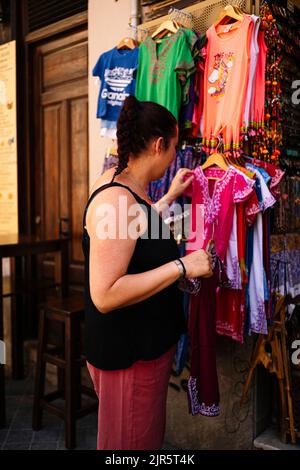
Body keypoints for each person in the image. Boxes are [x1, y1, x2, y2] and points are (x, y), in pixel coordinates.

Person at [82, 96, 213, 450]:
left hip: (141, 351)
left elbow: (130, 232)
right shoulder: (116, 199)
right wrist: (181, 266)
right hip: (130, 355)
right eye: (174, 147)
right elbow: (106, 293)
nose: (175, 155)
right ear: (158, 145)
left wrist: (168, 198)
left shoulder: (122, 184)